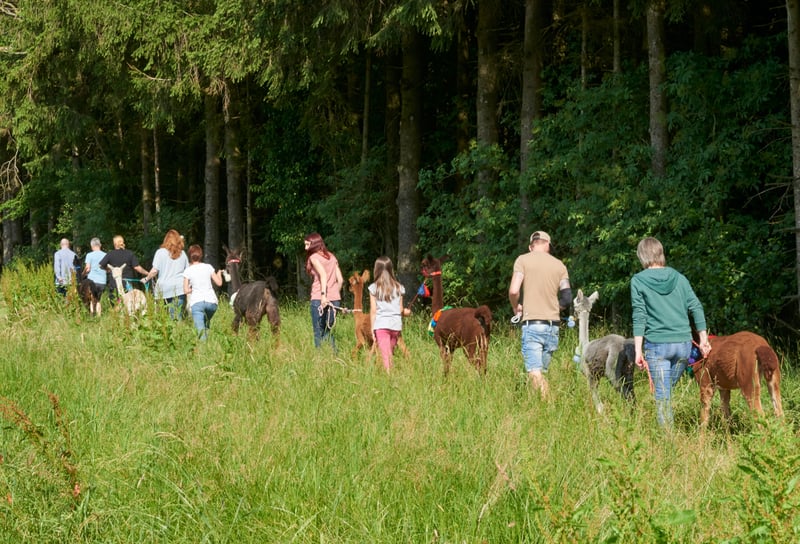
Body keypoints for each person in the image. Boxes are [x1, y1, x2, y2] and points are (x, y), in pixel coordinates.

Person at [631, 236, 711, 428]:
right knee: (665, 390)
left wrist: (637, 350)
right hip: (683, 346)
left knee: (662, 396)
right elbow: (696, 307)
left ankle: (668, 445)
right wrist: (703, 339)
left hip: (658, 346)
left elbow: (639, 316)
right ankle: (667, 433)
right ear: (661, 253)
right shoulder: (679, 278)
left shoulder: (638, 281)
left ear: (642, 256)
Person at [508, 231, 572, 397]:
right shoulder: (560, 265)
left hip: (533, 326)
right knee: (541, 373)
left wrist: (516, 307)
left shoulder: (522, 260)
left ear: (531, 246)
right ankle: (535, 409)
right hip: (553, 328)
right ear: (547, 245)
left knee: (534, 373)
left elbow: (514, 291)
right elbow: (567, 298)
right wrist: (552, 307)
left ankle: (550, 408)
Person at [368, 256, 412, 372]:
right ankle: (390, 375)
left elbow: (373, 311)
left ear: (376, 270)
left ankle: (389, 379)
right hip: (396, 326)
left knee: (386, 357)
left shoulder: (373, 288)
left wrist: (372, 329)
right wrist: (406, 313)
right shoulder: (399, 288)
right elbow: (400, 310)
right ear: (391, 269)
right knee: (389, 353)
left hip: (381, 325)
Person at [304, 232, 343, 350]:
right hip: (334, 300)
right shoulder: (331, 256)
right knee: (328, 331)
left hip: (319, 299)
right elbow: (340, 280)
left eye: (307, 245)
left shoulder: (313, 257)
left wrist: (323, 296)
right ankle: (334, 356)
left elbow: (323, 275)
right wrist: (333, 294)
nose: (305, 248)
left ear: (314, 244)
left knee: (318, 332)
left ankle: (320, 360)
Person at [143, 229, 189, 319]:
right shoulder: (182, 254)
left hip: (163, 289)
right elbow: (187, 272)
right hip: (179, 289)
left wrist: (146, 279)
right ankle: (178, 332)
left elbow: (154, 271)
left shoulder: (160, 252)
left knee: (161, 318)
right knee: (176, 317)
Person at [182, 244, 223, 340]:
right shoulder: (208, 267)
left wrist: (193, 288)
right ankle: (208, 344)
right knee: (206, 324)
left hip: (197, 302)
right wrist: (219, 274)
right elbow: (219, 283)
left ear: (190, 256)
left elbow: (186, 290)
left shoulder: (187, 271)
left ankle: (204, 350)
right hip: (212, 302)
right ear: (201, 255)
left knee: (201, 331)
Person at [99, 235, 150, 304]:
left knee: (116, 307)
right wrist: (148, 274)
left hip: (114, 286)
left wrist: (108, 270)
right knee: (130, 306)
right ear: (123, 242)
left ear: (114, 244)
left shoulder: (110, 254)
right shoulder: (129, 253)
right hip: (127, 284)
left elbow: (100, 265)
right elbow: (137, 267)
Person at [82, 237, 107, 309]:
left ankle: (92, 317)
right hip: (102, 281)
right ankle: (99, 318)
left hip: (91, 281)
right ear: (100, 245)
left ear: (92, 246)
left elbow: (87, 269)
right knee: (98, 300)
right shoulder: (105, 255)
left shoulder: (89, 255)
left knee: (91, 300)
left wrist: (82, 274)